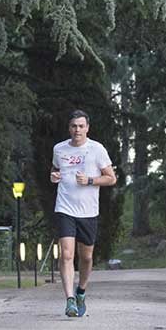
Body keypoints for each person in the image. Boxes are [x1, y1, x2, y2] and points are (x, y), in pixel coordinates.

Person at [50, 110, 116, 317]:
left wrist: (89, 180)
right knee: (67, 254)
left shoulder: (97, 149)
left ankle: (81, 292)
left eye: (81, 126)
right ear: (69, 128)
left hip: (88, 211)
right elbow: (54, 170)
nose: (77, 130)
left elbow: (111, 178)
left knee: (86, 257)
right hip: (65, 207)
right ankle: (69, 300)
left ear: (87, 128)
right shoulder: (59, 149)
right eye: (73, 126)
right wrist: (53, 176)